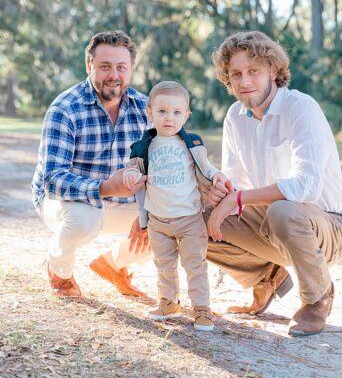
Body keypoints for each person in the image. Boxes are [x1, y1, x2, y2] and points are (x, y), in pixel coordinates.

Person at [205, 30, 342, 336]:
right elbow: (236, 182)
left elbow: (305, 186)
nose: (244, 81)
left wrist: (238, 199)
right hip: (272, 222)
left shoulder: (300, 107)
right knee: (196, 214)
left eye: (254, 71)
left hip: (328, 226)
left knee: (283, 210)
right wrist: (222, 191)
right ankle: (266, 277)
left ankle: (317, 298)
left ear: (275, 72)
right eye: (236, 74)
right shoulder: (235, 117)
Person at [32, 30, 151, 300]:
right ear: (89, 66)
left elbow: (163, 170)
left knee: (175, 216)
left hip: (123, 203)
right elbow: (52, 179)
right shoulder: (65, 108)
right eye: (105, 66)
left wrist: (148, 210)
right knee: (84, 219)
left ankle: (114, 264)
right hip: (66, 202)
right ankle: (59, 270)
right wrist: (105, 187)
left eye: (121, 67)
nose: (114, 75)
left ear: (131, 69)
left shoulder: (147, 110)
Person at [124, 80, 227, 331]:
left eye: (176, 112)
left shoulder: (191, 143)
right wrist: (129, 175)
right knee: (164, 264)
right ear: (150, 112)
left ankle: (202, 308)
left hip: (189, 218)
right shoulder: (142, 146)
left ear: (186, 115)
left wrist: (217, 176)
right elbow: (132, 171)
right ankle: (169, 302)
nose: (169, 118)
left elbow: (206, 166)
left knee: (195, 264)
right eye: (162, 111)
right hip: (158, 220)